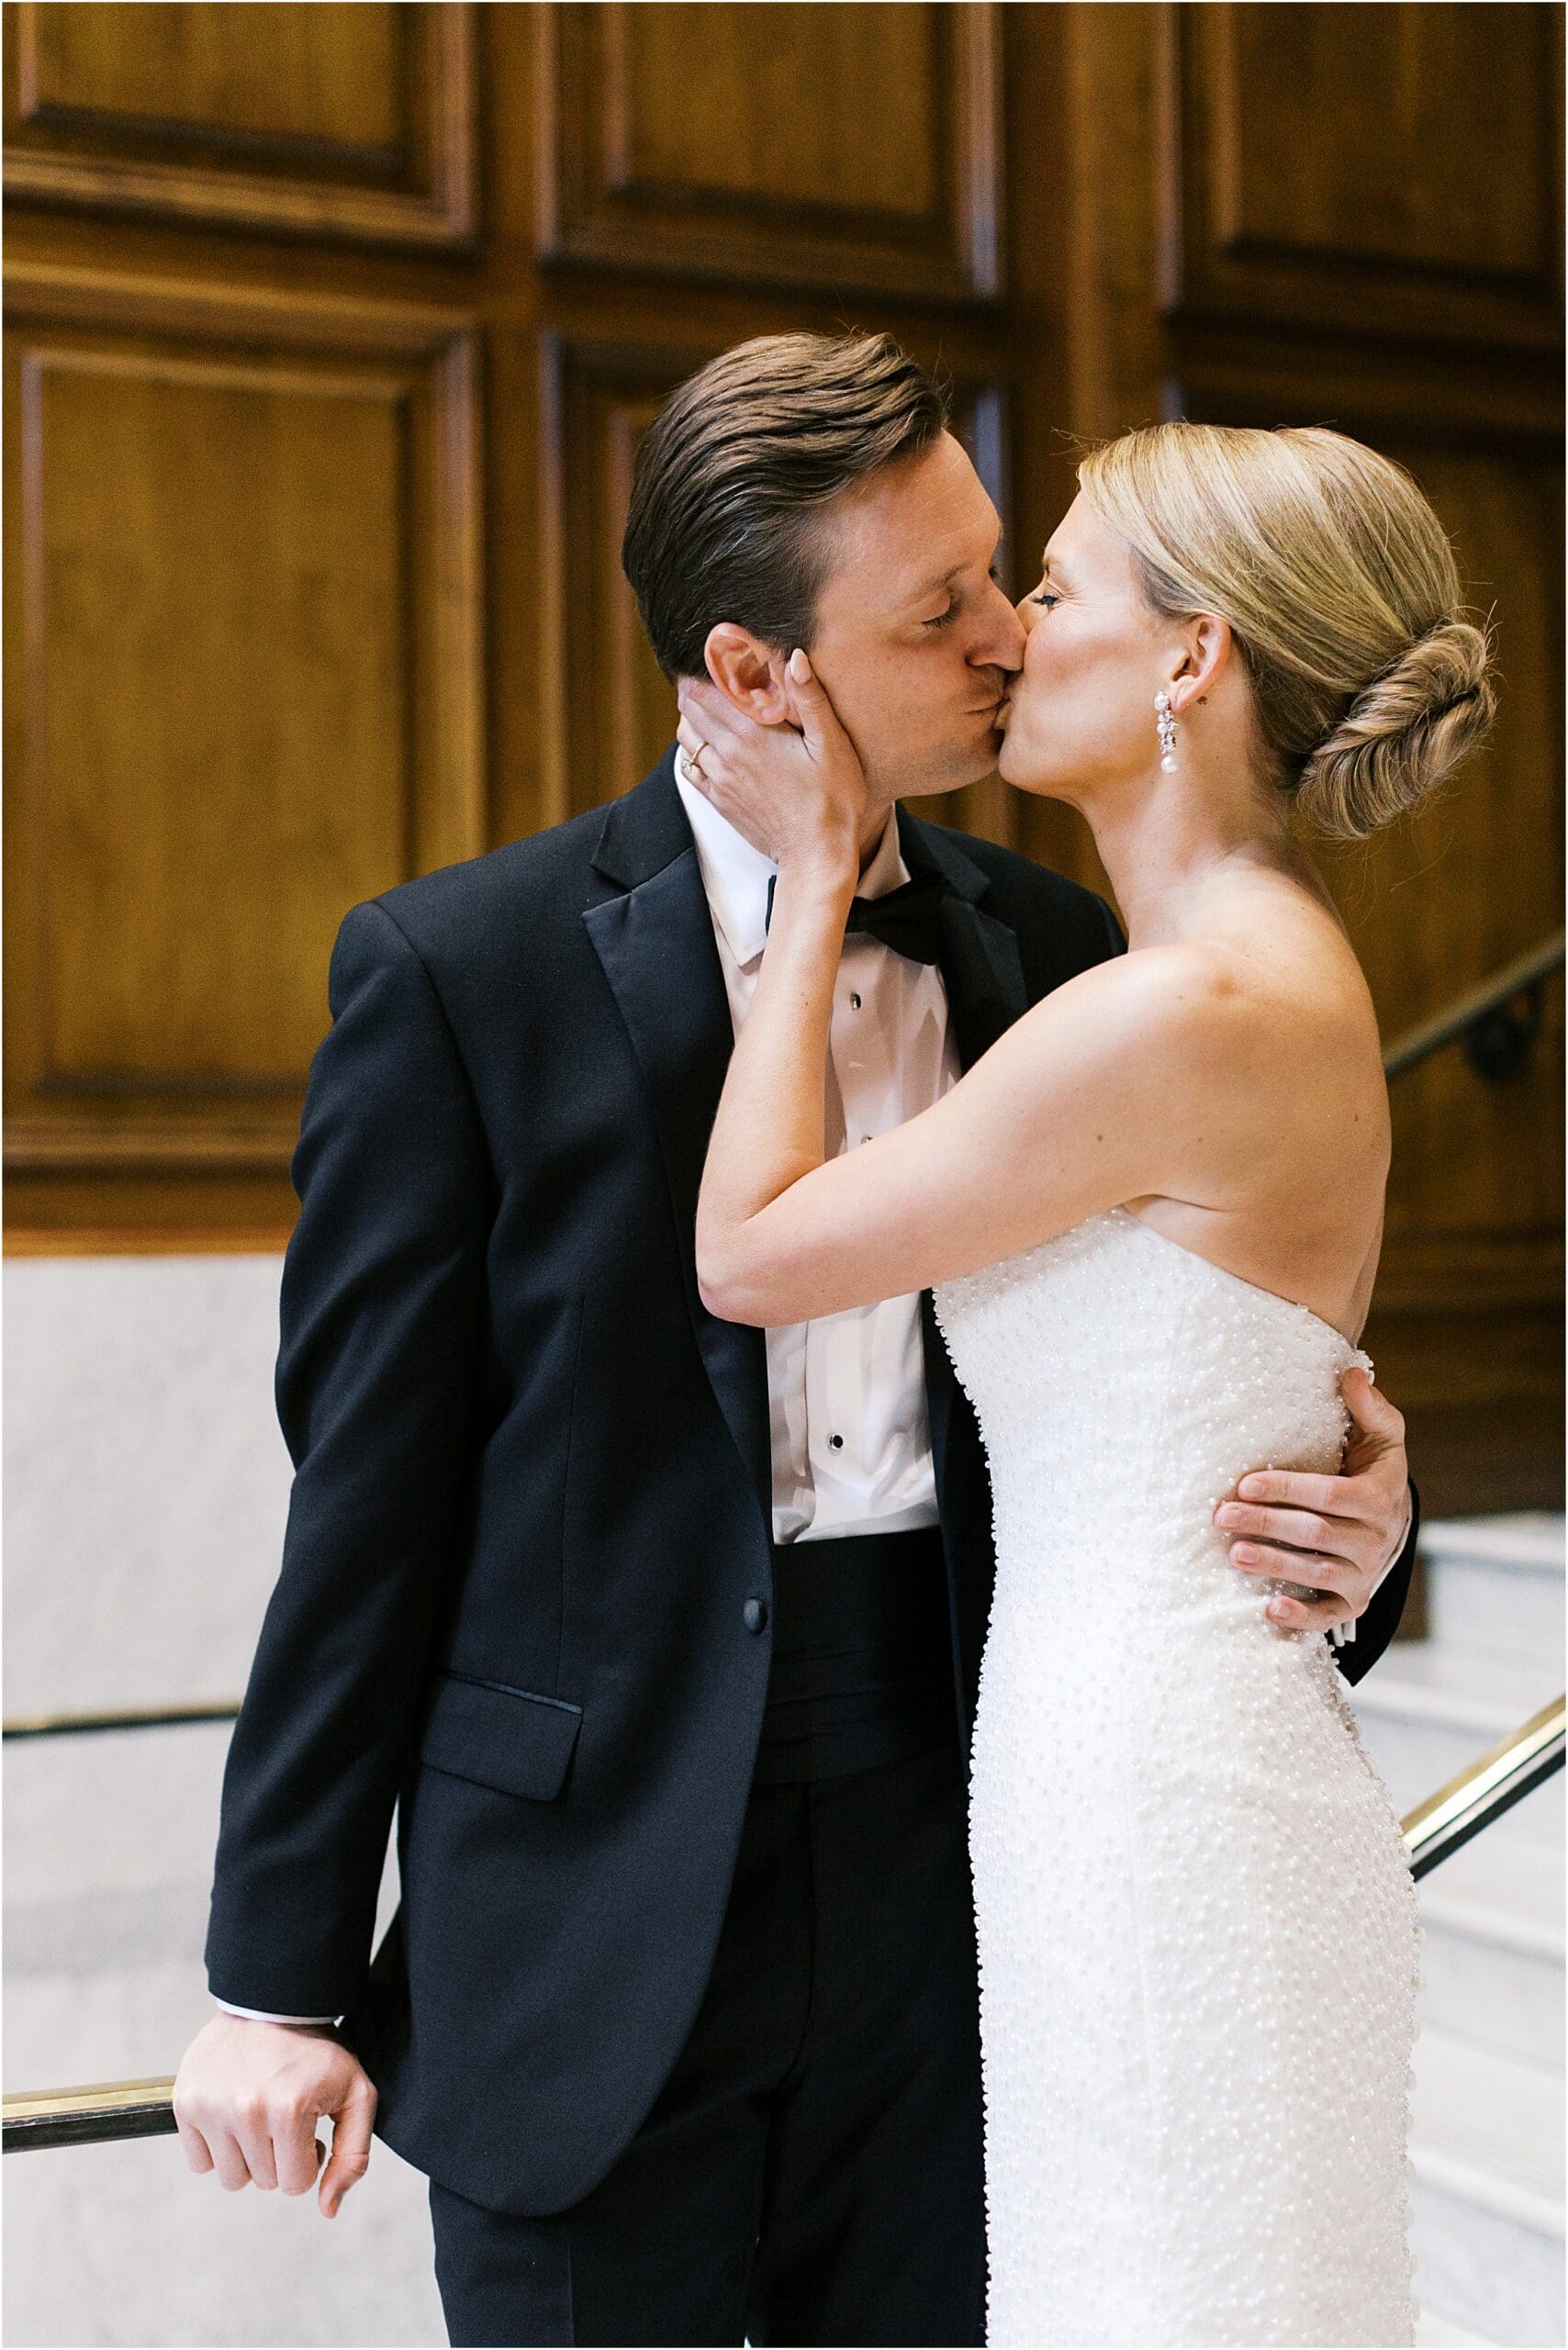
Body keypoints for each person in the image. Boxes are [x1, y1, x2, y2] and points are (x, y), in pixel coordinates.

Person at [173, 338, 1421, 2349]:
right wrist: (275, 1977)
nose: (1009, 638)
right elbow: (365, 1504)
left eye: (1007, 573)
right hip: (588, 1910)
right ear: (759, 676)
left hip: (975, 1885)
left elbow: (1199, 1336)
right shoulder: (458, 974)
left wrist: (1367, 1522)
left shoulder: (1064, 953)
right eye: (938, 613)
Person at [676, 413, 1493, 2346]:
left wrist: (807, 885)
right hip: (1110, 1764)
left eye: (1047, 585)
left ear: (1190, 659)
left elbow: (744, 1251)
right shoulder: (1222, 972)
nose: (1009, 633)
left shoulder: (1180, 1005)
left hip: (1157, 1792)